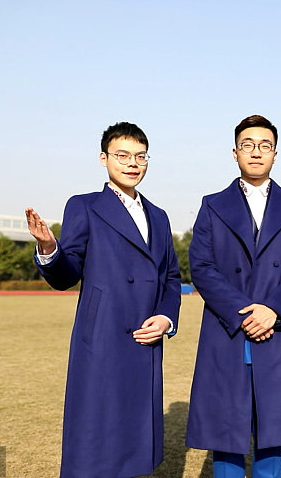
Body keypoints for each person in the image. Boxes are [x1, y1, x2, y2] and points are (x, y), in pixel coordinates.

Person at [24, 121, 182, 477]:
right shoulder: (85, 206)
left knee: (135, 443)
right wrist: (50, 247)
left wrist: (166, 318)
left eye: (140, 156)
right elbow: (68, 274)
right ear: (103, 158)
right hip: (102, 337)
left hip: (146, 337)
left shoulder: (159, 215)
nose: (132, 163)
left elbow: (171, 278)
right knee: (95, 438)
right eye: (123, 155)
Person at [185, 114, 281, 478]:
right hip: (228, 330)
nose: (256, 152)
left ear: (275, 153)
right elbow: (202, 266)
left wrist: (272, 310)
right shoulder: (212, 204)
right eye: (248, 145)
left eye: (264, 145)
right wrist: (245, 313)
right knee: (225, 432)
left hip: (278, 329)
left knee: (273, 431)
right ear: (234, 152)